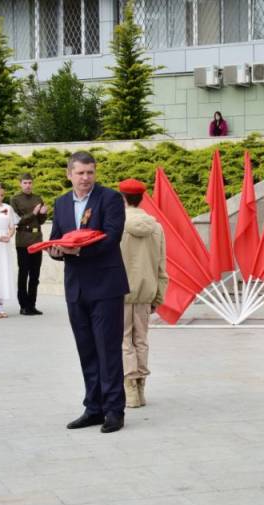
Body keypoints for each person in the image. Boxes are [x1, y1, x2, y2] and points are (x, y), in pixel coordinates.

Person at [48, 151, 130, 434]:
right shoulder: (61, 203)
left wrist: (79, 250)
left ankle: (114, 410)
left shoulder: (110, 198)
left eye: (90, 172)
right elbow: (55, 238)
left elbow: (112, 236)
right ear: (69, 174)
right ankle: (93, 408)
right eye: (80, 173)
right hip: (76, 288)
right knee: (87, 350)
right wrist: (56, 251)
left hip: (106, 286)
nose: (85, 178)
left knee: (108, 350)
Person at [118, 178, 168, 409]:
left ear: (122, 198)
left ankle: (130, 389)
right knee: (141, 340)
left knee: (124, 339)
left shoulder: (116, 225)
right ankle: (141, 386)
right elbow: (161, 266)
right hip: (146, 291)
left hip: (119, 290)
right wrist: (158, 296)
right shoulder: (156, 227)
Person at [11, 173, 48, 316]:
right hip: (23, 241)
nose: (28, 185)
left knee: (35, 274)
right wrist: (33, 213)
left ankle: (32, 305)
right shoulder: (15, 199)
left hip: (37, 239)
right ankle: (23, 305)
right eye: (25, 183)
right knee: (23, 273)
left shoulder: (38, 198)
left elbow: (41, 221)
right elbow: (17, 221)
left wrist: (43, 214)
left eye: (30, 183)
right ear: (20, 183)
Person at [0, 183, 18, 318]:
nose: (0, 197)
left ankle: (0, 304)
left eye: (2, 195)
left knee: (2, 271)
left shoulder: (8, 208)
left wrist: (9, 235)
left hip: (4, 245)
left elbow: (12, 226)